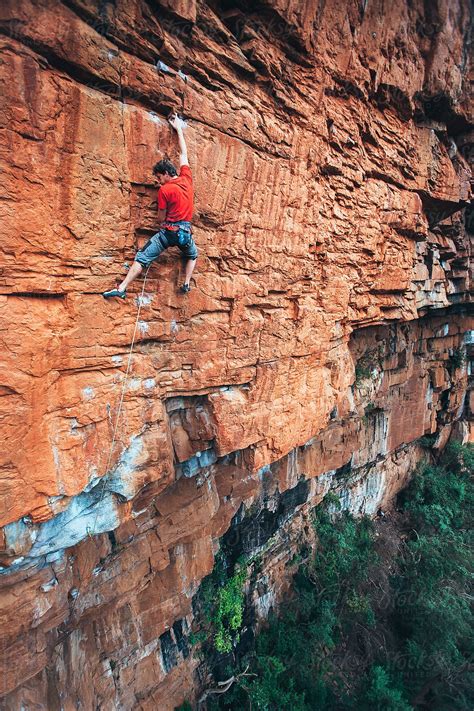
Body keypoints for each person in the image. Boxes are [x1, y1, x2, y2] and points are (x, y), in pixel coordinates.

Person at [103, 114, 198, 299]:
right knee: (192, 254)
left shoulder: (165, 190)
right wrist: (178, 128)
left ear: (165, 174)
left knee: (143, 256)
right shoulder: (187, 178)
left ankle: (122, 288)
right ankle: (186, 283)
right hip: (185, 233)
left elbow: (161, 218)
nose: (158, 181)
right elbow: (184, 154)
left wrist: (162, 220)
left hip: (169, 233)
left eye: (159, 177)